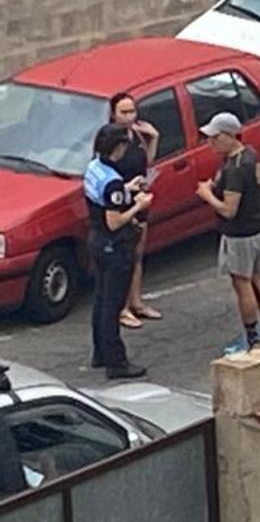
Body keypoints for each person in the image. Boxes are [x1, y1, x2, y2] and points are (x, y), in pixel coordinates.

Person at [195, 112, 260, 350]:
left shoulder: (235, 169)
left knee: (242, 283)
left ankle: (252, 336)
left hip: (240, 233)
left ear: (230, 136)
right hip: (257, 226)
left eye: (215, 137)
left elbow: (229, 210)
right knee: (256, 276)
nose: (211, 142)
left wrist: (207, 194)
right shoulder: (250, 155)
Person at [84, 123, 152, 379]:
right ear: (118, 147)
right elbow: (115, 220)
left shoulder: (95, 168)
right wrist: (138, 205)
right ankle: (116, 362)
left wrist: (127, 189)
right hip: (114, 245)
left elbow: (104, 199)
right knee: (112, 305)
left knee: (101, 299)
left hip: (97, 239)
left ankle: (100, 353)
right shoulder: (112, 182)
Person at [108, 92, 163, 329]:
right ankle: (122, 309)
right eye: (124, 112)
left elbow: (145, 164)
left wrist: (154, 140)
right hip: (123, 202)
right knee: (124, 257)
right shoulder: (111, 138)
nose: (130, 117)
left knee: (138, 254)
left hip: (140, 200)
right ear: (113, 114)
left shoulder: (138, 134)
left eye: (132, 111)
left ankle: (136, 302)